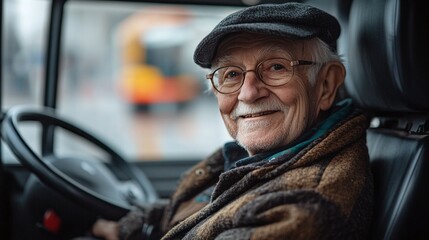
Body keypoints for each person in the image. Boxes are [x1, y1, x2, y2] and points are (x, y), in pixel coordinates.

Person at [89, 2, 373, 239]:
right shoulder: (266, 157)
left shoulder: (302, 208)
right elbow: (199, 208)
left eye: (276, 67)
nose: (248, 93)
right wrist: (120, 228)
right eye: (232, 74)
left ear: (326, 85)